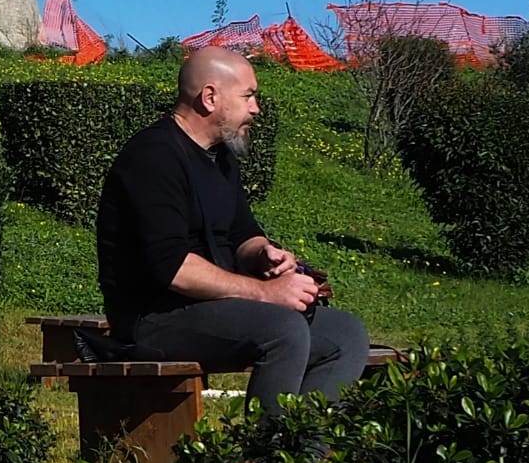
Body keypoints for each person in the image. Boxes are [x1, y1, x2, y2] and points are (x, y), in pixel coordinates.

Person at [96, 46, 370, 418]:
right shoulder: (152, 158)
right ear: (209, 97)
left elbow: (243, 233)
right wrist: (266, 293)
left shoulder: (220, 156)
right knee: (284, 329)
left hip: (212, 309)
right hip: (154, 320)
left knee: (345, 333)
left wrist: (264, 254)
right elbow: (172, 267)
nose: (256, 108)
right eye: (248, 96)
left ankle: (305, 461)